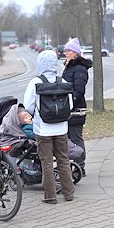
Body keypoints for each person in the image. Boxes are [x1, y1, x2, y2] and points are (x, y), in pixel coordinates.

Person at [24, 50, 76, 204]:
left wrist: (35, 114)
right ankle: (69, 193)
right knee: (63, 160)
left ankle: (50, 196)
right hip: (61, 129)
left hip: (43, 129)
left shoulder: (35, 82)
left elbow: (28, 105)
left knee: (46, 162)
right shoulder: (64, 81)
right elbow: (70, 105)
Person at [61, 37, 92, 168]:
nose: (65, 53)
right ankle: (74, 164)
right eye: (65, 51)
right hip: (68, 108)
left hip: (76, 110)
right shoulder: (70, 67)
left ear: (75, 52)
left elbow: (79, 91)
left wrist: (70, 104)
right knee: (69, 137)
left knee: (76, 137)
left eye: (68, 51)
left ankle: (80, 164)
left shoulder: (79, 68)